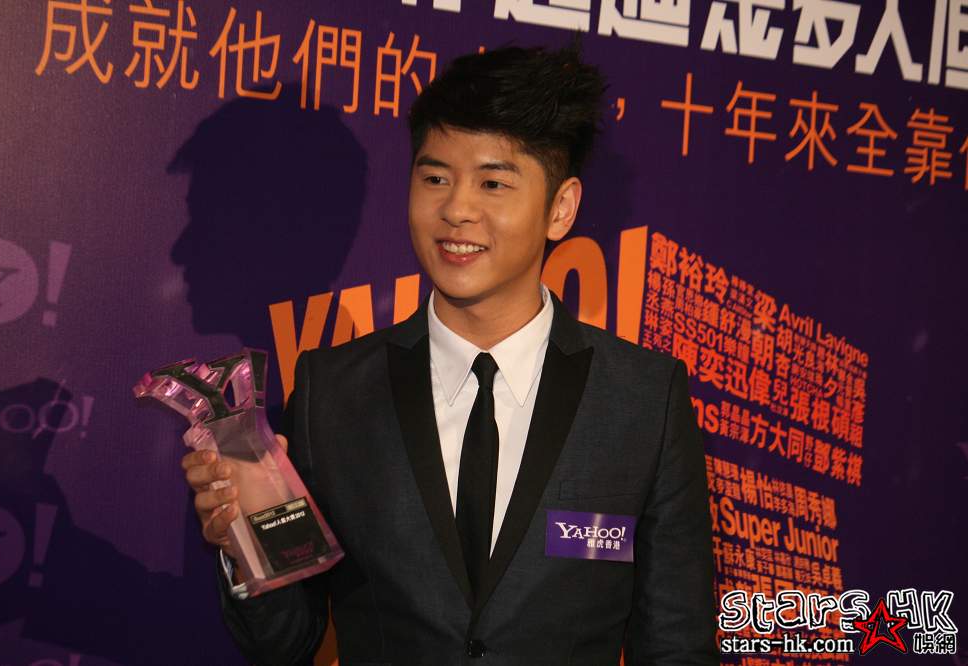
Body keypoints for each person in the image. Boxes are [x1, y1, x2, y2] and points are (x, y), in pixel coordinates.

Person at [181, 43, 717, 665]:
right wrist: (245, 541)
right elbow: (286, 641)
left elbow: (677, 644)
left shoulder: (643, 400)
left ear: (561, 208)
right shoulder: (333, 392)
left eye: (493, 183)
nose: (457, 210)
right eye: (435, 178)